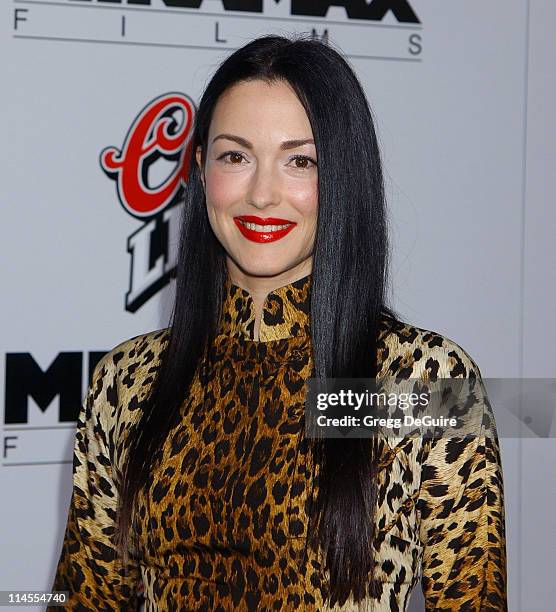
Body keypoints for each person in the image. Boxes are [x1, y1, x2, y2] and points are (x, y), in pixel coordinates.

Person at [49, 34, 507, 611]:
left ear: (343, 177)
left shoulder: (423, 382)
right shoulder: (130, 380)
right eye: (235, 157)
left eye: (300, 161)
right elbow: (83, 599)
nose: (262, 195)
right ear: (198, 170)